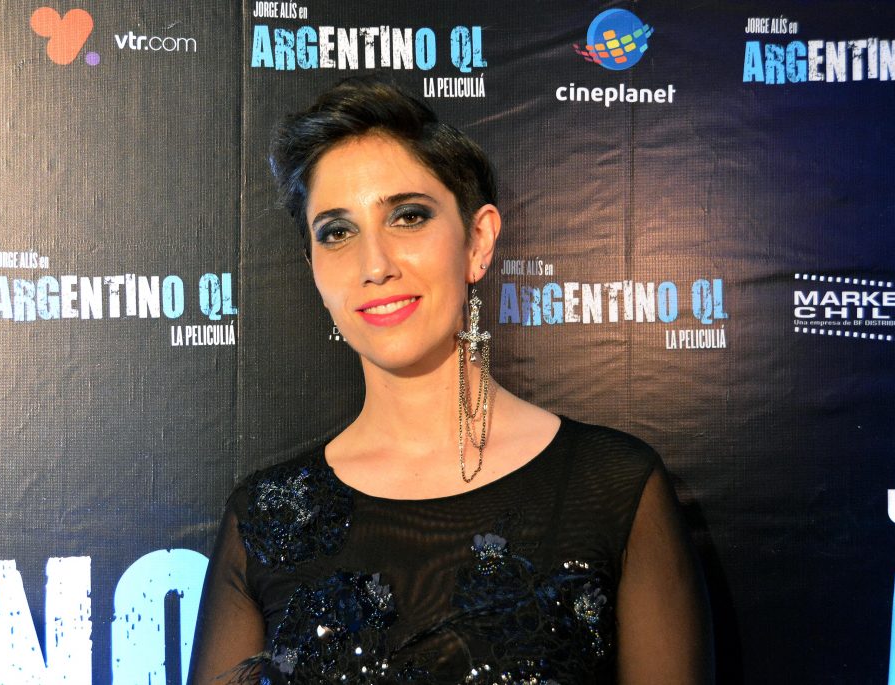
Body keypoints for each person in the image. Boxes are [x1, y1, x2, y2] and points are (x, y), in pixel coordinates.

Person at [189, 77, 714, 684]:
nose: (374, 265)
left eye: (408, 217)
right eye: (337, 231)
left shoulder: (613, 486)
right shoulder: (264, 517)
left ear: (478, 241)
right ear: (314, 268)